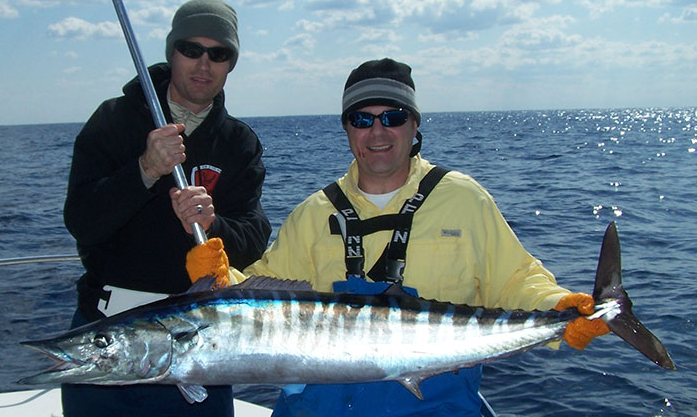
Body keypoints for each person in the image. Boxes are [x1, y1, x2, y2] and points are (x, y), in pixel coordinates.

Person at [239, 58, 608, 416]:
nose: (378, 132)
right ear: (347, 129)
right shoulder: (313, 213)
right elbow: (256, 296)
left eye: (394, 118)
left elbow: (515, 278)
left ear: (415, 125)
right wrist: (217, 276)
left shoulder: (463, 199)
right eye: (362, 119)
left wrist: (560, 306)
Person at [61, 0, 271, 417]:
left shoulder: (238, 143)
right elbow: (82, 221)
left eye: (219, 53)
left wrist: (214, 224)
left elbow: (253, 238)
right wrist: (143, 170)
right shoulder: (115, 120)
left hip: (200, 342)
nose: (203, 63)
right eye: (191, 49)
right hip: (107, 335)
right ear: (171, 52)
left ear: (231, 64)